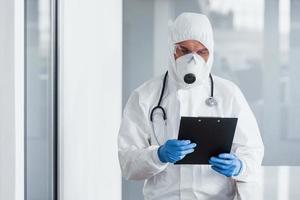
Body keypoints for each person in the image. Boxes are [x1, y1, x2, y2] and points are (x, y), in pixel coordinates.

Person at [118, 12, 264, 200]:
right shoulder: (144, 96)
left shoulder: (229, 94)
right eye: (185, 51)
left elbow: (253, 150)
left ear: (210, 52)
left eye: (201, 52)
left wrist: (240, 166)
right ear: (173, 50)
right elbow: (128, 165)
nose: (192, 60)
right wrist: (158, 155)